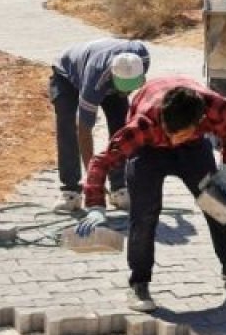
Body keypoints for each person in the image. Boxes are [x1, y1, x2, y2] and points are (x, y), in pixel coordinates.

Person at [77, 76, 226, 312]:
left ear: (199, 121)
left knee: (215, 203)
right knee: (144, 215)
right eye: (171, 133)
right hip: (149, 150)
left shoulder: (217, 108)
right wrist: (95, 204)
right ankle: (139, 282)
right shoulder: (143, 125)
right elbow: (101, 161)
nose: (173, 140)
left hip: (194, 148)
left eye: (179, 134)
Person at [50, 39, 151, 213]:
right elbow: (84, 130)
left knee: (122, 128)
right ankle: (71, 191)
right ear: (113, 76)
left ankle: (119, 187)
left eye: (130, 89)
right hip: (67, 75)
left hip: (105, 71)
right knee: (68, 124)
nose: (126, 93)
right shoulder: (94, 81)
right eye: (123, 89)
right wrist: (94, 180)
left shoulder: (142, 56)